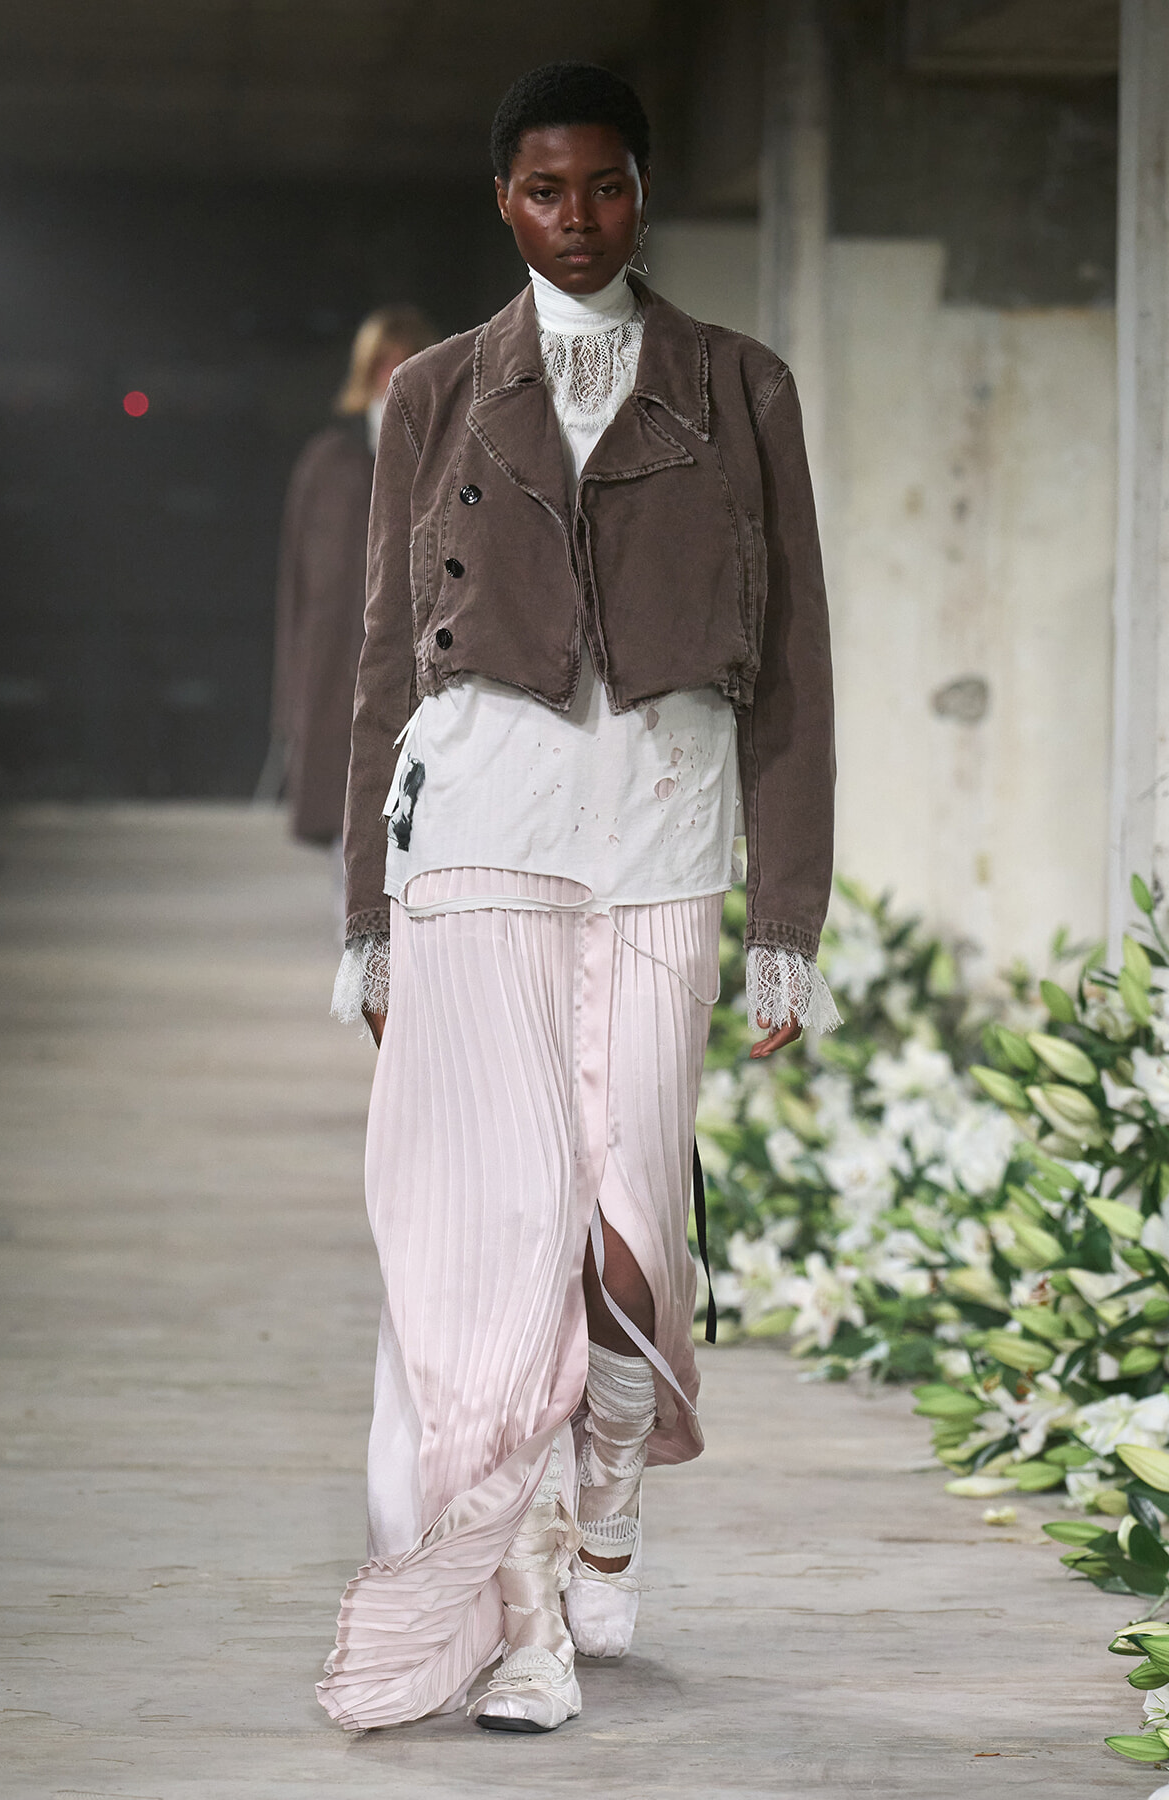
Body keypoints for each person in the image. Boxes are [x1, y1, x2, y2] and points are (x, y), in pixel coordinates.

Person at [319, 61, 838, 1737]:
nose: (579, 217)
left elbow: (800, 676)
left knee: (632, 1231)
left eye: (607, 186)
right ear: (503, 200)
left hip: (667, 844)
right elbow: (387, 669)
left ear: (643, 192)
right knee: (498, 1237)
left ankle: (612, 1473)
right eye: (547, 189)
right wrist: (365, 913)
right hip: (477, 839)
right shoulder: (441, 396)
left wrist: (789, 919)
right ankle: (524, 1598)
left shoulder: (738, 388)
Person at [271, 306, 435, 846]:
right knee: (347, 857)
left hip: (413, 684)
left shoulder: (444, 460)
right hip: (332, 681)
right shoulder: (327, 465)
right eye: (383, 364)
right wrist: (291, 704)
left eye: (405, 362)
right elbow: (296, 593)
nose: (392, 377)